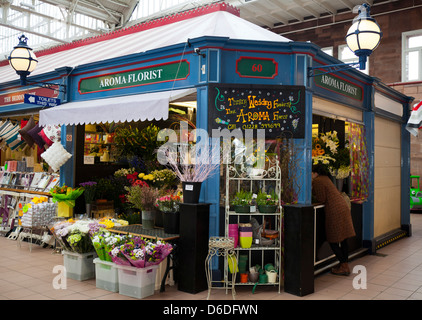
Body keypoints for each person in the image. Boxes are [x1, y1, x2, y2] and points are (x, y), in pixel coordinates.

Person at [311, 164, 356, 276]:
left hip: (335, 211)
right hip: (342, 207)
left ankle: (344, 265)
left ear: (315, 173)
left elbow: (321, 199)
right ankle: (344, 264)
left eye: (311, 173)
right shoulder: (326, 178)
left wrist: (312, 194)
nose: (310, 175)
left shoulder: (317, 181)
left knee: (333, 239)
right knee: (343, 239)